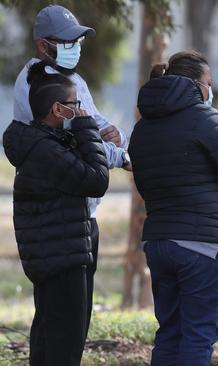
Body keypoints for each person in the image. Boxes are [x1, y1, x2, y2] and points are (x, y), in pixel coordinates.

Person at [128, 50, 218, 365]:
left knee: (169, 334)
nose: (210, 89)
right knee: (197, 337)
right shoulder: (204, 117)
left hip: (159, 241)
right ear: (195, 84)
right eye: (209, 82)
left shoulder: (143, 126)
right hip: (204, 244)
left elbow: (152, 183)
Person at [12, 4, 130, 342]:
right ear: (41, 45)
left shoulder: (72, 81)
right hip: (56, 219)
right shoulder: (38, 83)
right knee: (62, 327)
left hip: (80, 220)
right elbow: (81, 145)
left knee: (71, 320)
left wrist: (113, 139)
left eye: (76, 40)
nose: (73, 47)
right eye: (65, 41)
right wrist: (117, 154)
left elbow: (98, 126)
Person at [3, 61, 109, 365]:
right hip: (61, 259)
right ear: (58, 111)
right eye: (75, 105)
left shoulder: (43, 144)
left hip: (54, 256)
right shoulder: (46, 152)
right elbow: (97, 180)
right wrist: (88, 128)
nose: (82, 110)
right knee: (65, 344)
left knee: (48, 339)